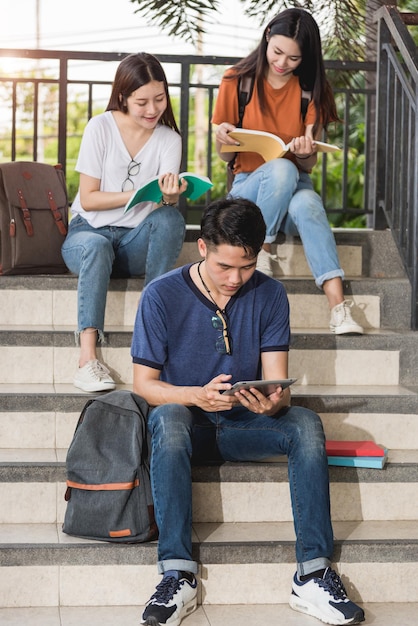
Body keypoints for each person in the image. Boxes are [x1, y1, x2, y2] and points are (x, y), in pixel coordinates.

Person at [131, 197, 365, 626]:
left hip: (244, 424)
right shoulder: (160, 294)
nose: (236, 278)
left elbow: (279, 383)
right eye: (225, 266)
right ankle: (177, 574)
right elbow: (143, 385)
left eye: (247, 266)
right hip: (189, 427)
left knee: (307, 424)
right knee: (166, 418)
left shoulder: (271, 294)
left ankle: (312, 573)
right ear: (201, 247)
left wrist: (274, 401)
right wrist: (194, 396)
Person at [212, 8, 363, 336]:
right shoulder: (236, 80)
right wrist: (223, 137)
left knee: (307, 202)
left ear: (306, 57)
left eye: (293, 58)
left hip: (296, 184)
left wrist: (307, 154)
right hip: (247, 189)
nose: (282, 63)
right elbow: (224, 154)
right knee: (280, 168)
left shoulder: (312, 90)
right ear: (267, 37)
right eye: (277, 52)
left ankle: (338, 307)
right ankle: (260, 248)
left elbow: (308, 165)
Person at [62, 52, 186, 393]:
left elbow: (164, 204)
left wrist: (170, 195)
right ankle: (88, 359)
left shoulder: (169, 139)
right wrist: (137, 196)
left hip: (134, 243)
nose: (152, 109)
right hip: (88, 235)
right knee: (98, 245)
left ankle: (154, 321)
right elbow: (89, 198)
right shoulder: (100, 127)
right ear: (123, 97)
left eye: (159, 99)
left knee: (170, 219)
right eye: (142, 101)